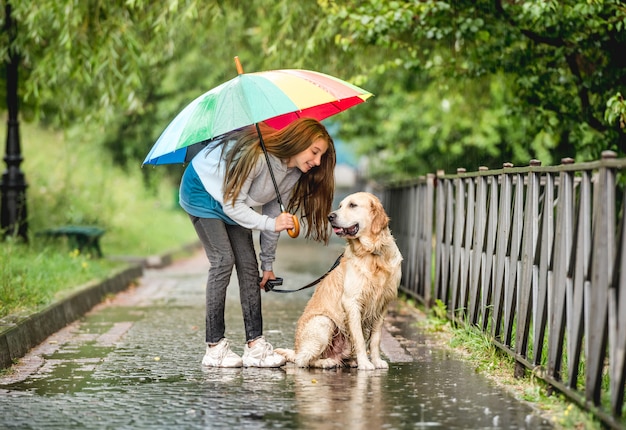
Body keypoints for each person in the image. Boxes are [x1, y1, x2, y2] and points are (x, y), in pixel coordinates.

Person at [179, 117, 336, 368]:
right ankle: (214, 347)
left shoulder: (293, 172)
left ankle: (255, 346)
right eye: (315, 152)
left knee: (249, 268)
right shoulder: (258, 158)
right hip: (202, 191)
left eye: (321, 156)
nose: (317, 162)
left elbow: (275, 215)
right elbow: (236, 207)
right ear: (299, 142)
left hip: (235, 202)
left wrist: (268, 265)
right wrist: (270, 223)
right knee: (223, 260)